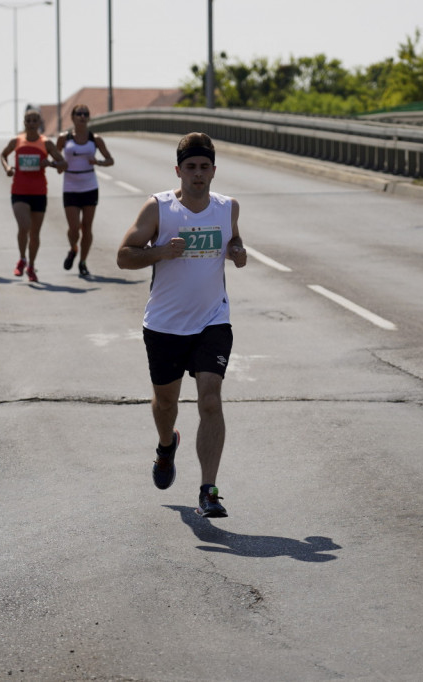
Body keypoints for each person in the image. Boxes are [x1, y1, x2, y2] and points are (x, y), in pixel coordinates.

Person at [116, 132, 248, 518]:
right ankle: (165, 446)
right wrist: (160, 251)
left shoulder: (227, 208)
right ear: (178, 170)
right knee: (167, 404)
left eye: (204, 167)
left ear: (213, 171)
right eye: (190, 167)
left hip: (212, 320)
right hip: (165, 324)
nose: (198, 175)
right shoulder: (158, 208)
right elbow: (124, 256)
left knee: (210, 399)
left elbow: (234, 241)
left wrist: (237, 251)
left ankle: (209, 490)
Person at [0, 110, 67, 282]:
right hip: (19, 191)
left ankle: (31, 266)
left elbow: (63, 164)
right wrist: (7, 168)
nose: (31, 123)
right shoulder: (17, 141)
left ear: (39, 123)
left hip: (39, 192)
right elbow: (3, 155)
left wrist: (50, 163)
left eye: (34, 120)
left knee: (35, 233)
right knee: (24, 226)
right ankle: (22, 259)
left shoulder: (46, 143)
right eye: (28, 120)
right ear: (24, 122)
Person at [57, 105, 114, 278]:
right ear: (72, 117)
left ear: (88, 118)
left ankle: (83, 262)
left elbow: (110, 160)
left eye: (85, 114)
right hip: (70, 186)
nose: (82, 116)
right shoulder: (64, 138)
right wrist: (59, 165)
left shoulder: (95, 139)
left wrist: (99, 163)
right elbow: (54, 156)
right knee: (74, 228)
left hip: (89, 186)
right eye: (79, 114)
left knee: (87, 227)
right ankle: (73, 248)